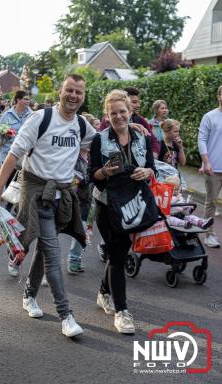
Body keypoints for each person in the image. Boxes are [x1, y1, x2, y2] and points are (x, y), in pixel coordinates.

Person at [0, 74, 96, 338]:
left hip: (62, 196)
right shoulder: (41, 118)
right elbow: (14, 155)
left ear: (83, 96)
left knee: (45, 249)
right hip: (36, 191)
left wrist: (131, 126)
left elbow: (101, 141)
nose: (73, 96)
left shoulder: (82, 125)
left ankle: (29, 295)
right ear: (60, 91)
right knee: (52, 252)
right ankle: (66, 315)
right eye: (69, 90)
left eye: (78, 92)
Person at [90, 89, 155, 334]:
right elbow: (92, 176)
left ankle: (103, 293)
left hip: (133, 206)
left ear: (130, 112)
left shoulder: (143, 138)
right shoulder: (100, 140)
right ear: (107, 115)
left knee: (117, 254)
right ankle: (122, 311)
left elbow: (151, 168)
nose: (119, 116)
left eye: (123, 111)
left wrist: (147, 173)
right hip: (107, 206)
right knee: (117, 255)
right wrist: (105, 171)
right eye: (113, 113)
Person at [0, 90, 32, 218]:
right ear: (17, 100)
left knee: (21, 183)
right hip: (7, 154)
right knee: (9, 182)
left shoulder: (32, 115)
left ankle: (13, 207)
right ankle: (10, 208)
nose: (28, 101)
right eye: (25, 99)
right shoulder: (7, 115)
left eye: (28, 99)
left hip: (25, 156)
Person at [198, 85, 222, 248]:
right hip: (214, 168)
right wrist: (206, 162)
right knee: (211, 202)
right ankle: (209, 235)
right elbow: (201, 139)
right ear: (219, 96)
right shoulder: (209, 116)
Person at [124, 87, 160, 158]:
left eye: (138, 102)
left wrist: (153, 156)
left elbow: (153, 140)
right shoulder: (109, 120)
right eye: (134, 102)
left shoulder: (140, 119)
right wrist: (127, 126)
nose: (138, 105)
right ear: (124, 102)